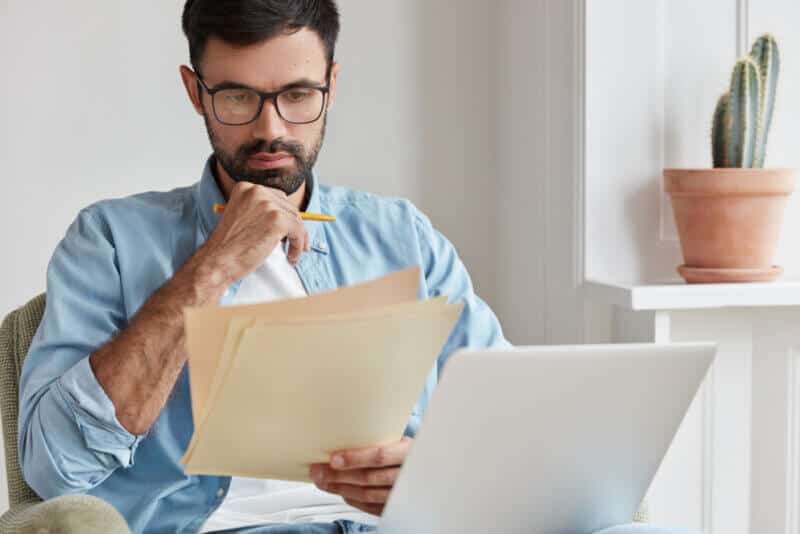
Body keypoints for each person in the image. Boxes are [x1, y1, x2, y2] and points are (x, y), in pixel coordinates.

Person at [17, 1, 701, 533]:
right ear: (195, 93)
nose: (271, 129)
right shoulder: (110, 240)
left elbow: (508, 433)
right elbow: (55, 470)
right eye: (237, 98)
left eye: (298, 95)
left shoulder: (401, 236)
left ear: (332, 86)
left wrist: (432, 472)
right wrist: (211, 268)